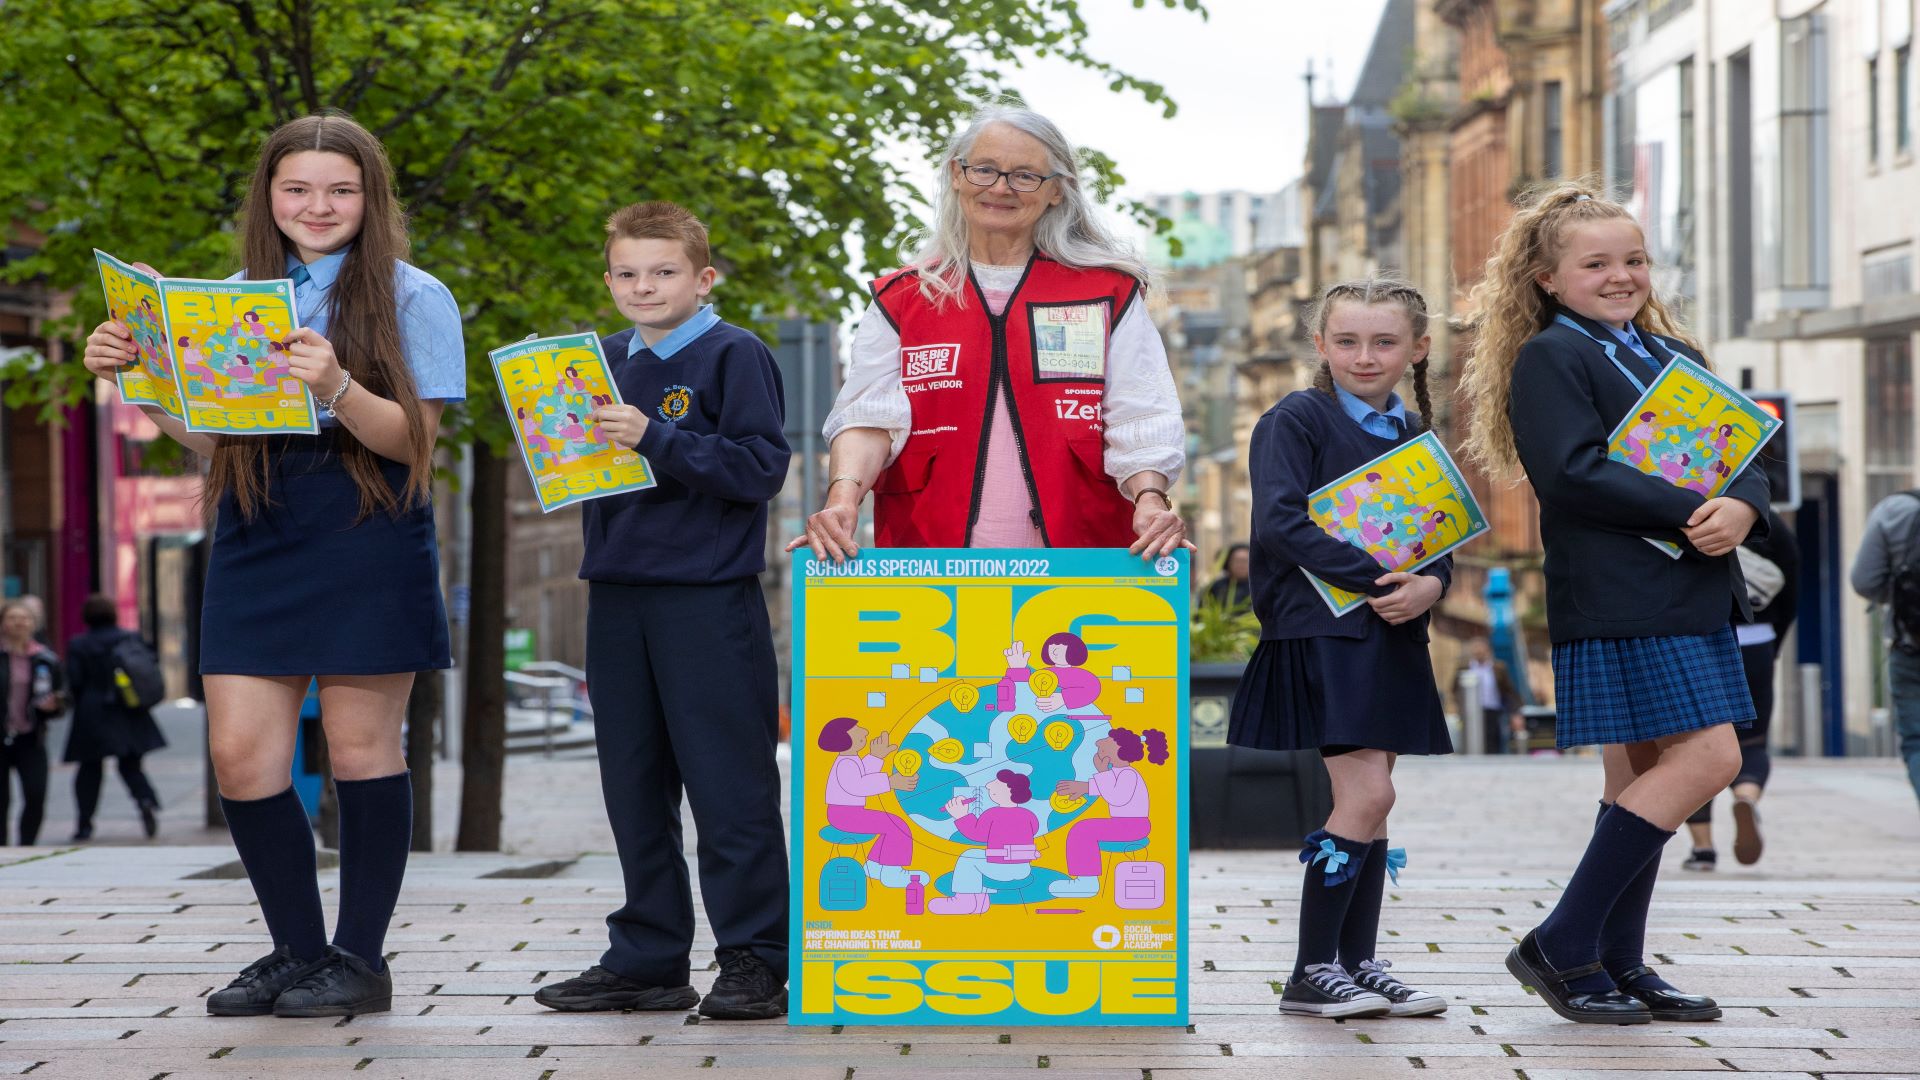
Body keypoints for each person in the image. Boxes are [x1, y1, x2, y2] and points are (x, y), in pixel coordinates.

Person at [82, 114, 467, 1018]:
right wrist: (136, 380)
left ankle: (360, 961)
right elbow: (215, 440)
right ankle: (296, 952)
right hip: (259, 523)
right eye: (297, 188)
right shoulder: (229, 299)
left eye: (340, 189)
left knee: (363, 747)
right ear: (270, 197)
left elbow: (415, 443)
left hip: (368, 525)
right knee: (240, 756)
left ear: (370, 198)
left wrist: (334, 383)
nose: (318, 205)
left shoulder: (416, 297)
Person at [1458, 181, 1764, 1025]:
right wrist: (1688, 508)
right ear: (1549, 279)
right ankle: (1563, 941)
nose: (1621, 275)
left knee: (1636, 774)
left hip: (1690, 587)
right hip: (1620, 592)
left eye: (1633, 259)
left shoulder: (1679, 356)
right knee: (1710, 761)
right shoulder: (1553, 356)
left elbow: (1744, 450)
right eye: (1596, 263)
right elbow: (1572, 472)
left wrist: (1742, 506)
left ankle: (1614, 960)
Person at [532, 202, 791, 1021]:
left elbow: (760, 468)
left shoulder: (733, 353)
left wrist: (655, 438)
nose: (645, 286)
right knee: (633, 788)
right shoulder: (596, 361)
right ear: (608, 280)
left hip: (707, 601)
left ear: (703, 277)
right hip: (617, 593)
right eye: (628, 273)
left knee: (729, 788)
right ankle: (647, 957)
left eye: (664, 271)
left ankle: (754, 959)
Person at [790, 104, 1187, 563]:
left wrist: (1151, 500)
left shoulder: (1105, 294)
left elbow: (1141, 414)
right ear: (956, 175)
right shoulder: (902, 300)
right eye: (984, 169)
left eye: (1025, 176)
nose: (1000, 187)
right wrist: (843, 499)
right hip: (932, 564)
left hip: (1082, 564)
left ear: (1057, 190)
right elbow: (869, 419)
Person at [1228, 276, 1453, 1020]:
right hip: (1321, 629)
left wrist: (1433, 585)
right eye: (1348, 341)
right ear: (1321, 345)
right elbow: (1281, 526)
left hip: (1388, 630)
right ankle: (1309, 970)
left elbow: (1437, 532)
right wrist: (1385, 576)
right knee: (1367, 794)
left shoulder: (1415, 432)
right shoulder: (1295, 419)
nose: (1366, 356)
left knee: (1375, 806)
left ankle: (1356, 963)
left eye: (1385, 342)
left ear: (1417, 348)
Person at [1684, 510, 1797, 869]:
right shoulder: (1763, 517)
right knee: (1752, 740)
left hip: (1695, 641)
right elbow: (1792, 586)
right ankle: (1746, 796)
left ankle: (1703, 850)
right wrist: (1773, 645)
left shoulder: (1683, 507)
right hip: (1756, 643)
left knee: (1689, 746)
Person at [64, 594, 167, 841]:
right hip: (128, 708)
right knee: (130, 765)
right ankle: (145, 800)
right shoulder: (130, 638)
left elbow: (75, 681)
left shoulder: (79, 644)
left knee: (89, 769)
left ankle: (85, 823)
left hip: (92, 711)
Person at [1850, 490, 1920, 810]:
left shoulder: (1895, 509)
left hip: (1911, 644)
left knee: (1917, 739)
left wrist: (1897, 597)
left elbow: (1865, 580)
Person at [1049, 727, 1167, 898]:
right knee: (1082, 829)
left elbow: (1117, 797)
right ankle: (1085, 880)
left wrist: (1102, 772)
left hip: (1133, 826)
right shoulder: (1119, 773)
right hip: (1126, 824)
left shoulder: (1128, 774)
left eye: (1102, 750)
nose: (1098, 754)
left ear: (1118, 752)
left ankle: (1086, 883)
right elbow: (1105, 787)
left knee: (1082, 831)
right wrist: (1083, 787)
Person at [819, 716, 919, 889]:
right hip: (844, 815)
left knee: (892, 825)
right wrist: (891, 782)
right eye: (857, 731)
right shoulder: (846, 763)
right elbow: (858, 786)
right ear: (845, 740)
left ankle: (874, 866)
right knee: (898, 826)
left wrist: (876, 756)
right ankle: (892, 872)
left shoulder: (850, 759)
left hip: (848, 813)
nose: (864, 732)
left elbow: (863, 774)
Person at [1, 598, 65, 846]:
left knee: (35, 794)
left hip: (31, 737)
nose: (18, 623)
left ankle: (26, 845)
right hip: (2, 736)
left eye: (24, 618)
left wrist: (55, 705)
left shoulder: (45, 658)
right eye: (12, 618)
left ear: (33, 624)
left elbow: (63, 696)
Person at [931, 770, 1040, 915]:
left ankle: (964, 902)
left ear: (1008, 791)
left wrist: (961, 815)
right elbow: (1033, 831)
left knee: (968, 857)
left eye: (996, 785)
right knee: (977, 856)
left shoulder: (993, 814)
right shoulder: (1029, 815)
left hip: (1000, 869)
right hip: (1023, 869)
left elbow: (976, 835)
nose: (989, 786)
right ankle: (978, 902)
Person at [1454, 637, 1523, 755]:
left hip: (1492, 711)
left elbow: (1509, 691)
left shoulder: (1498, 667)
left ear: (1488, 651)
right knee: (1471, 742)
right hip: (1471, 712)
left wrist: (1515, 712)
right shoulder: (1464, 668)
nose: (1479, 653)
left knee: (1492, 743)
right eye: (1476, 651)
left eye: (1481, 651)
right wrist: (1459, 707)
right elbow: (1455, 689)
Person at [1205, 542, 1253, 609]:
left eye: (1245, 561)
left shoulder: (1258, 586)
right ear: (1228, 562)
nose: (1241, 565)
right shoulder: (1216, 587)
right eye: (1237, 561)